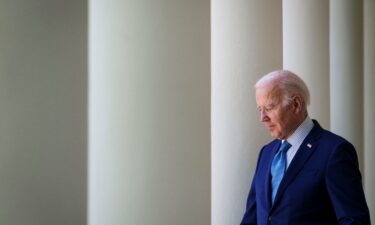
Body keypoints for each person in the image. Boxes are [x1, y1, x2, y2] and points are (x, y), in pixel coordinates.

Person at [240, 70, 371, 225]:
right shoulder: (266, 153)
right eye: (260, 109)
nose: (262, 118)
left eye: (269, 108)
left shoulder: (334, 151)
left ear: (296, 104)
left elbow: (354, 221)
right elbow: (252, 217)